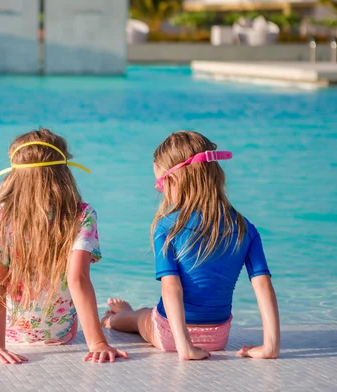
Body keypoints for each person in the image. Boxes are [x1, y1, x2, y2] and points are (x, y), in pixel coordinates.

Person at [102, 131, 280, 361]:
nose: (161, 191)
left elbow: (171, 288)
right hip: (218, 335)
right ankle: (129, 313)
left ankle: (114, 317)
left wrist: (184, 346)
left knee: (142, 317)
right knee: (148, 313)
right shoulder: (245, 227)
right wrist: (270, 347)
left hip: (171, 334)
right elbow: (264, 285)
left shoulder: (167, 226)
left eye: (160, 184)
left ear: (174, 180)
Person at [0, 128, 128, 364]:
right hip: (60, 333)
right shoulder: (82, 214)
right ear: (64, 171)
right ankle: (114, 318)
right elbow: (78, 280)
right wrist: (97, 343)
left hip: (12, 333)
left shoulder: (4, 214)